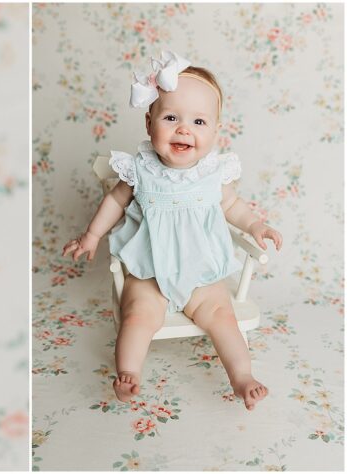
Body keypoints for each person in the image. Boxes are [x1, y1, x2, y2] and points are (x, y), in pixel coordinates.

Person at [62, 51, 283, 411]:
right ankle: (128, 373)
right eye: (171, 117)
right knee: (137, 316)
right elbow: (115, 203)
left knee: (223, 317)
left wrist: (257, 224)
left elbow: (232, 207)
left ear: (215, 131)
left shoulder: (213, 173)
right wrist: (91, 236)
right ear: (149, 123)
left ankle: (243, 377)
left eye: (198, 121)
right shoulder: (140, 169)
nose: (184, 129)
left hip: (200, 272)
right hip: (149, 271)